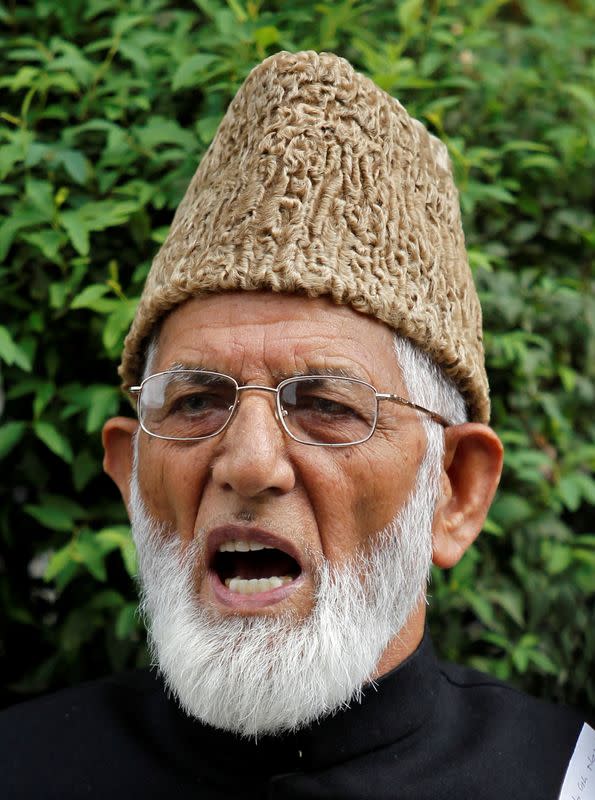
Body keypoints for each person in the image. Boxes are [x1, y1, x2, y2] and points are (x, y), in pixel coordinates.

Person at [1, 50, 592, 800]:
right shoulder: (21, 767)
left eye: (327, 407)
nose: (248, 465)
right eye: (195, 404)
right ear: (129, 474)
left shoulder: (566, 780)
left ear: (453, 491)